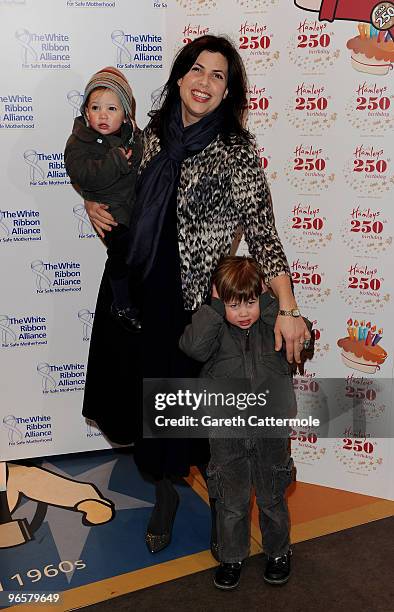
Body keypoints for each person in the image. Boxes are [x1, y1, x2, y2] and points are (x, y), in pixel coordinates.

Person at [83, 35, 310, 556]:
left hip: (190, 305)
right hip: (133, 291)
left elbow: (263, 232)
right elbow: (111, 180)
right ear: (180, 75)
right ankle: (164, 499)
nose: (205, 82)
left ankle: (222, 512)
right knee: (148, 411)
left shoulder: (236, 151)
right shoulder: (150, 136)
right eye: (197, 70)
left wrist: (289, 307)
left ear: (229, 91)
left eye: (218, 75)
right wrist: (93, 205)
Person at [180, 256, 307, 589]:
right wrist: (215, 309)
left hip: (271, 431)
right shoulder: (215, 328)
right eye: (233, 304)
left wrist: (271, 301)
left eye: (250, 302)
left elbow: (303, 339)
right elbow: (191, 348)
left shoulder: (273, 323)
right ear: (221, 300)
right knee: (231, 501)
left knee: (272, 497)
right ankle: (231, 557)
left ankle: (279, 552)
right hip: (226, 434)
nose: (244, 312)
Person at [64, 66, 142, 332]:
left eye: (112, 109)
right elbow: (85, 177)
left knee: (138, 255)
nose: (103, 115)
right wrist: (115, 161)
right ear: (86, 111)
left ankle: (130, 299)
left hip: (133, 210)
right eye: (95, 108)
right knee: (120, 252)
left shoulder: (132, 136)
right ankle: (120, 303)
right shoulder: (79, 142)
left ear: (125, 114)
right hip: (109, 212)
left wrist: (135, 139)